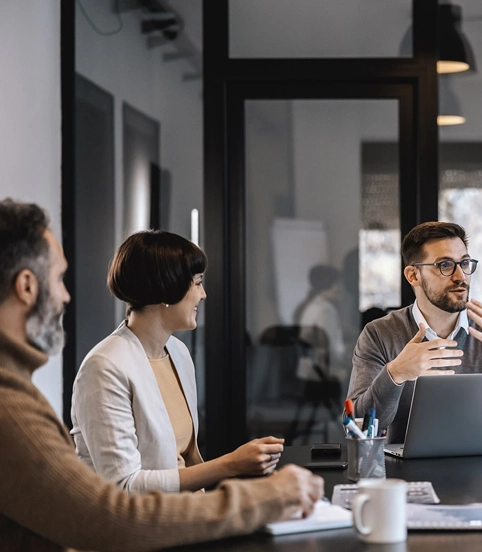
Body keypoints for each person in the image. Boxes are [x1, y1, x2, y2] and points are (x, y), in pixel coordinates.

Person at [0, 199, 324, 551]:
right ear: (27, 286)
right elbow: (114, 510)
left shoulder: (178, 353)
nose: (65, 295)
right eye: (59, 278)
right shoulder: (51, 389)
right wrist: (252, 490)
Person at [70, 230, 286, 493]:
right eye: (197, 283)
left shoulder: (178, 352)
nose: (203, 294)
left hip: (186, 514)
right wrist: (231, 464)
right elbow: (124, 486)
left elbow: (184, 460)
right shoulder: (103, 368)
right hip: (140, 528)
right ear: (167, 288)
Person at [347, 222, 482, 443]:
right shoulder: (379, 334)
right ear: (413, 276)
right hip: (408, 472)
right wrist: (395, 373)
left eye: (464, 263)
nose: (460, 276)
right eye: (445, 265)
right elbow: (356, 429)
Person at [293, 264, 346, 383]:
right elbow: (331, 347)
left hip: (309, 372)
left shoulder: (311, 306)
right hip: (323, 373)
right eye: (339, 283)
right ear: (331, 285)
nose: (341, 288)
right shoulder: (326, 310)